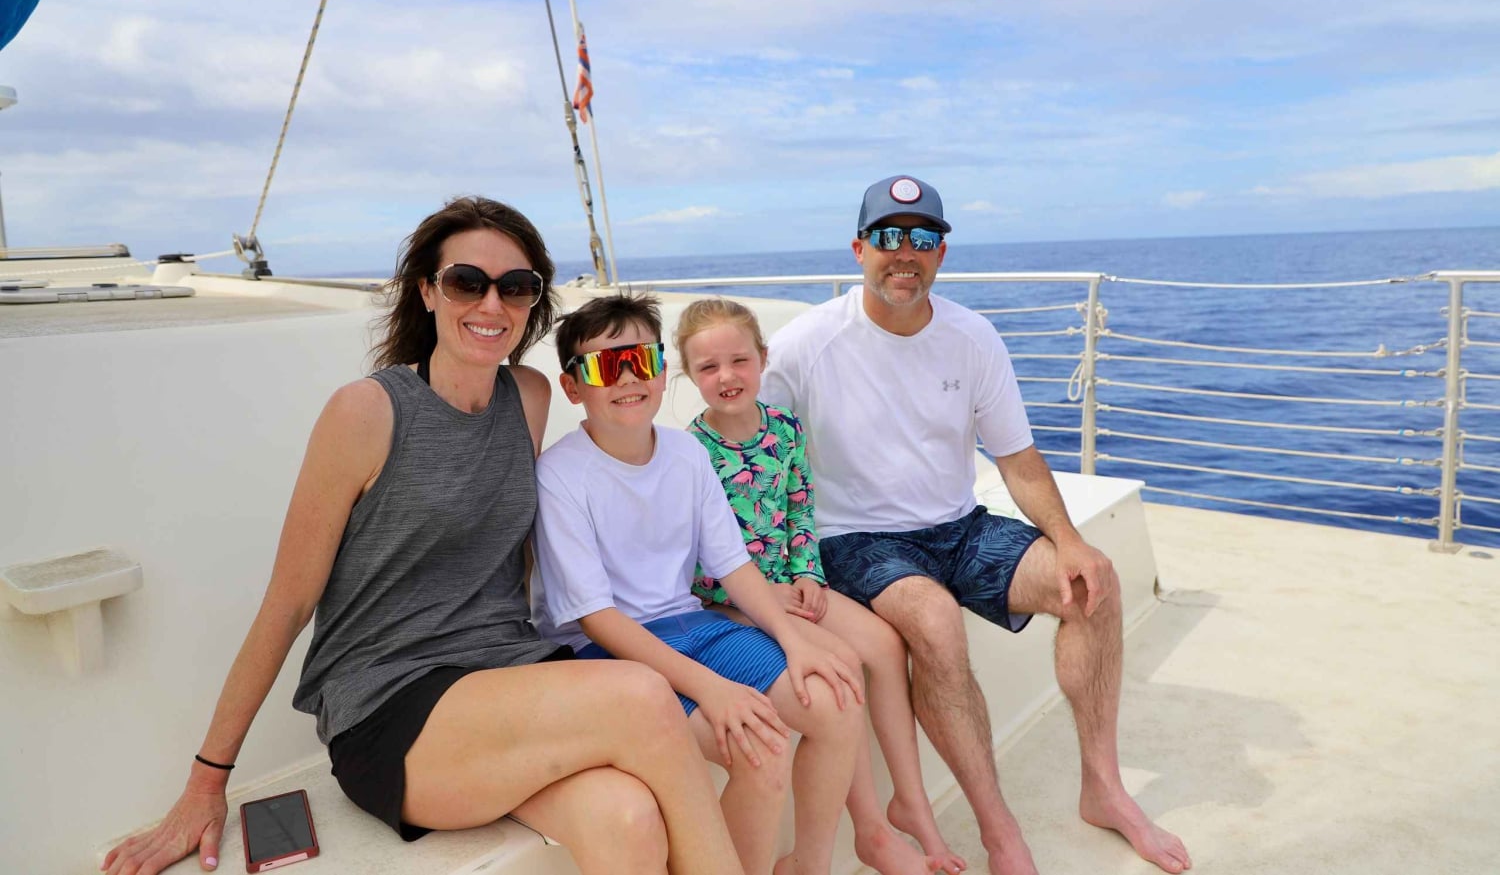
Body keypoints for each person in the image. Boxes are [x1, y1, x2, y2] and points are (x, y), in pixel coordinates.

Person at [102, 197, 746, 875]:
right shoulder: (368, 412)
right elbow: (288, 603)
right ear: (428, 291)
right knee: (643, 694)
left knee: (628, 818)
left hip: (511, 675)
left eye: (516, 287)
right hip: (391, 703)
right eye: (469, 282)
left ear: (533, 302)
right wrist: (207, 781)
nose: (492, 304)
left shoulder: (528, 396)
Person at [761, 176, 1193, 875]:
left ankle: (1103, 788)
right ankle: (1000, 832)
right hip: (853, 540)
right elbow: (754, 453)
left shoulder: (972, 336)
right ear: (859, 248)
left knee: (1093, 583)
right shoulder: (804, 345)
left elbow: (1018, 460)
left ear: (941, 253)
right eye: (889, 237)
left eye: (923, 238)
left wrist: (1071, 541)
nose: (906, 252)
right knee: (932, 617)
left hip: (958, 527)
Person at [531, 292, 864, 875]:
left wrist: (795, 640)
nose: (630, 377)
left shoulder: (686, 453)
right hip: (610, 651)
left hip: (694, 625)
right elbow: (595, 619)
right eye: (607, 365)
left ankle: (808, 866)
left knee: (835, 700)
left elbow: (734, 568)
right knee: (760, 751)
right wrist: (711, 688)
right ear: (572, 386)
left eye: (644, 358)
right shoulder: (560, 475)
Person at [674, 297, 967, 875]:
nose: (727, 376)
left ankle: (903, 809)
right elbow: (688, 557)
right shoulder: (690, 452)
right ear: (689, 374)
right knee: (838, 668)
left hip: (793, 584)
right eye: (708, 368)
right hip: (729, 603)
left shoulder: (784, 430)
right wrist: (752, 596)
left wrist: (807, 573)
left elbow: (801, 509)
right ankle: (868, 836)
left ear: (763, 359)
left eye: (739, 360)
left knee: (883, 644)